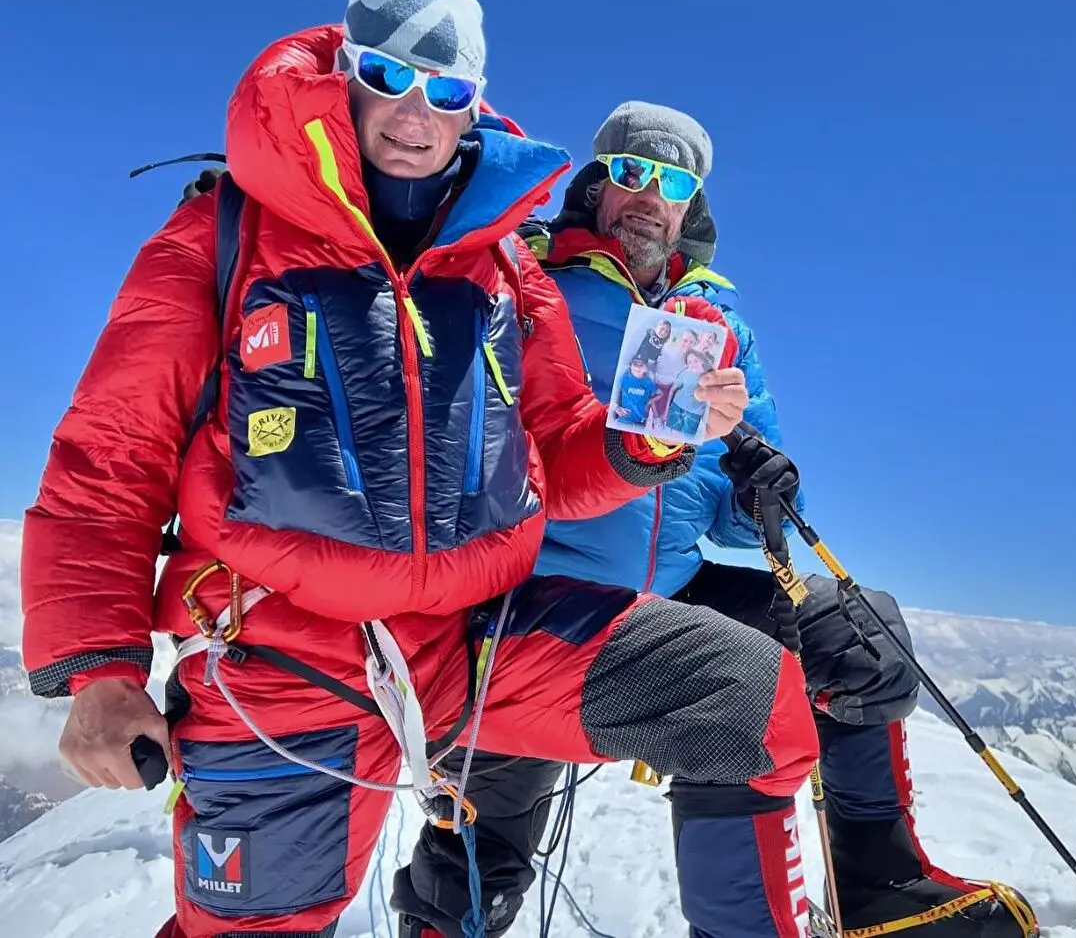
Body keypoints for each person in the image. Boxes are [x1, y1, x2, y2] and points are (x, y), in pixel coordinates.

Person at [19, 0, 823, 938]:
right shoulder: (225, 232)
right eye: (389, 77)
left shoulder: (501, 266)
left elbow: (559, 446)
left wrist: (651, 438)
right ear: (344, 72)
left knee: (751, 702)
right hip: (276, 657)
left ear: (471, 105)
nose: (414, 112)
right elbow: (110, 454)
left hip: (472, 643)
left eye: (444, 91)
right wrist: (99, 667)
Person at [392, 102, 1041, 938]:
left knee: (860, 631)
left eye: (671, 181)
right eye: (631, 172)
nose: (647, 196)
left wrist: (764, 486)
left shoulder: (716, 321)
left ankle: (877, 885)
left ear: (690, 201)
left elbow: (747, 532)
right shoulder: (532, 282)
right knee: (479, 853)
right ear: (598, 184)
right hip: (537, 591)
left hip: (667, 587)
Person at [612, 355, 658, 426]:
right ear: (631, 366)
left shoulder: (650, 383)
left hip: (640, 424)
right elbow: (610, 395)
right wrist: (616, 407)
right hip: (623, 422)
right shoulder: (623, 379)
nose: (637, 367)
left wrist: (654, 419)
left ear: (646, 368)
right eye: (635, 364)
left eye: (641, 365)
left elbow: (656, 401)